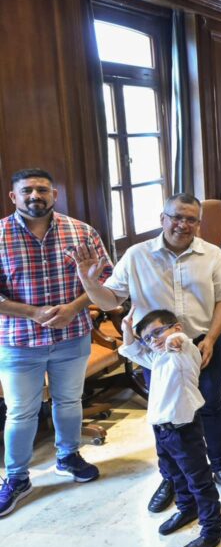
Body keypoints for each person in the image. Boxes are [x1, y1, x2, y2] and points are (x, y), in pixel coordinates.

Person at [72, 193, 221, 511]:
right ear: (162, 218)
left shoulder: (212, 254)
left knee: (210, 406)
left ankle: (220, 465)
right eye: (177, 217)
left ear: (198, 223)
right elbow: (110, 300)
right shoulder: (138, 256)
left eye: (191, 219)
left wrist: (212, 338)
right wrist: (87, 280)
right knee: (165, 417)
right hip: (157, 353)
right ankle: (171, 477)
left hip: (202, 344)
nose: (183, 224)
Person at [0, 168, 112, 517]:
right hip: (19, 340)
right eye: (28, 190)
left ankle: (68, 456)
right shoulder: (0, 235)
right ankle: (17, 478)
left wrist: (74, 307)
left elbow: (107, 279)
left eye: (43, 190)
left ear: (55, 194)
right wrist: (31, 313)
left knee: (69, 402)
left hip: (71, 335)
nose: (36, 196)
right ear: (13, 196)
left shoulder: (81, 232)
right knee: (20, 412)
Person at [121, 309, 221, 547]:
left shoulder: (184, 352)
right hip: (162, 430)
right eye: (147, 338)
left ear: (176, 327)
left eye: (158, 332)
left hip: (183, 429)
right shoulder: (157, 359)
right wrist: (126, 329)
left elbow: (180, 342)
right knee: (174, 474)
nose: (154, 340)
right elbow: (133, 350)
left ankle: (211, 531)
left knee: (199, 480)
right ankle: (187, 508)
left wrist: (172, 340)